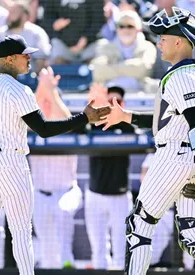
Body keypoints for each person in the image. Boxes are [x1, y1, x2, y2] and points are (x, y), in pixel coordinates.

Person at [0, 34, 110, 275]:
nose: (29, 58)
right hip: (9, 161)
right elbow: (45, 130)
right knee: (20, 230)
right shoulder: (18, 89)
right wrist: (84, 118)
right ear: (9, 59)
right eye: (23, 54)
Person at [97, 7, 195, 275]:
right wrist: (127, 116)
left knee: (139, 224)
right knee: (193, 231)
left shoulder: (180, 75)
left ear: (179, 41)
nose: (159, 41)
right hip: (189, 156)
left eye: (163, 36)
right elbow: (172, 118)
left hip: (176, 157)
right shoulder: (193, 73)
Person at [30, 67, 81, 269]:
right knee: (48, 252)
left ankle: (68, 261)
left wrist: (51, 91)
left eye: (50, 101)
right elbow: (29, 110)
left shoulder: (65, 122)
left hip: (67, 191)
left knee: (62, 213)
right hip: (41, 195)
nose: (47, 104)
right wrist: (42, 87)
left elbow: (70, 123)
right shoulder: (34, 126)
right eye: (44, 102)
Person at [84, 84, 135, 270]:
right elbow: (84, 126)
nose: (113, 105)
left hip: (120, 197)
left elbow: (131, 130)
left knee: (121, 250)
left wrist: (118, 115)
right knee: (98, 250)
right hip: (95, 194)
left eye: (118, 102)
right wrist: (99, 103)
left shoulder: (127, 127)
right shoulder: (95, 125)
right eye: (110, 101)